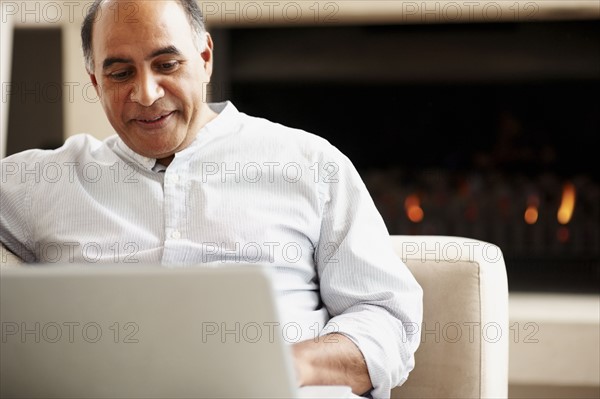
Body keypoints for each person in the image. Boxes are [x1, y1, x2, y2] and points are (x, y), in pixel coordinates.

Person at [0, 1, 423, 398]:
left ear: (205, 58)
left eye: (166, 64)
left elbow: (388, 320)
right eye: (120, 73)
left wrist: (290, 364)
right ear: (95, 81)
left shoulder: (311, 163)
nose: (146, 93)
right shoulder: (44, 179)